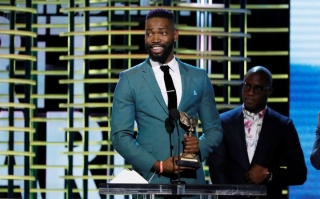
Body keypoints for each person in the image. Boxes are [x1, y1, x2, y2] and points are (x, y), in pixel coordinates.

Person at [111, 8, 222, 186]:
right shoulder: (129, 79)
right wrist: (158, 165)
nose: (155, 39)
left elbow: (214, 130)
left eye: (162, 33)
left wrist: (198, 148)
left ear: (175, 34)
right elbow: (120, 137)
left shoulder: (198, 77)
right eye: (149, 33)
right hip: (150, 182)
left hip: (191, 182)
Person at [208, 66, 307, 199]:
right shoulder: (223, 122)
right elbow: (217, 170)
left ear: (269, 91)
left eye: (258, 88)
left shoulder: (283, 126)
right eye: (246, 86)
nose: (250, 92)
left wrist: (269, 174)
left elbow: (299, 173)